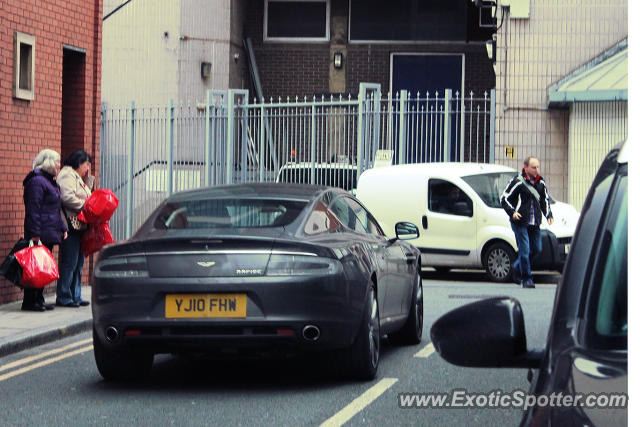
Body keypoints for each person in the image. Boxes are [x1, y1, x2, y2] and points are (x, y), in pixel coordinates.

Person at [22, 149, 68, 311]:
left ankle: (38, 299)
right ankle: (29, 301)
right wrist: (35, 233)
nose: (58, 165)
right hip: (40, 232)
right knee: (34, 267)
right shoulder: (37, 182)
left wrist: (63, 227)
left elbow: (55, 209)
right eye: (56, 161)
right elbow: (33, 209)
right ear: (48, 162)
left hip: (48, 230)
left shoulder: (48, 181)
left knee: (42, 267)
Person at [500, 156, 553, 288]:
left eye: (538, 167)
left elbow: (544, 200)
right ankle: (526, 279)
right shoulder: (517, 181)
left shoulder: (540, 182)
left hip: (534, 222)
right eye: (534, 167)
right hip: (519, 221)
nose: (537, 170)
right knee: (524, 250)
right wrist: (513, 212)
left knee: (536, 249)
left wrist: (548, 214)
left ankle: (517, 267)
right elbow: (504, 198)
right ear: (526, 168)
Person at [57, 150, 94, 307]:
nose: (87, 168)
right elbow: (66, 197)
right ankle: (65, 296)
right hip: (70, 225)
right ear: (79, 162)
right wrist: (86, 205)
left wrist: (88, 180)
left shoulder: (77, 177)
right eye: (86, 164)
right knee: (69, 262)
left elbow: (86, 193)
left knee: (78, 262)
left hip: (79, 225)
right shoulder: (67, 175)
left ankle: (75, 295)